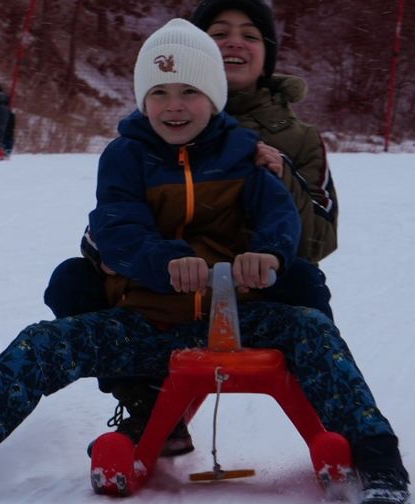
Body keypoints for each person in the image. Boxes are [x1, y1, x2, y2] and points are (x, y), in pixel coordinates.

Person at [0, 19, 407, 504]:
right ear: (143, 99)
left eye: (189, 92)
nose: (174, 107)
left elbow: (279, 217)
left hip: (236, 317)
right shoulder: (125, 156)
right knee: (44, 342)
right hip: (148, 322)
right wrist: (168, 261)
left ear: (214, 96)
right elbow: (117, 228)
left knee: (311, 327)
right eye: (160, 93)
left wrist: (267, 254)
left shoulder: (243, 154)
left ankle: (375, 454)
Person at [44, 0, 339, 461]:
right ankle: (144, 398)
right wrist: (113, 249)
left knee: (303, 278)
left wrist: (278, 184)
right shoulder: (156, 125)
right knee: (73, 280)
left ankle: (334, 410)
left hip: (250, 287)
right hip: (168, 283)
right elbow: (116, 218)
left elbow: (319, 238)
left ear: (268, 52)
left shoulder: (296, 138)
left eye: (250, 34)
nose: (234, 42)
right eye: (219, 32)